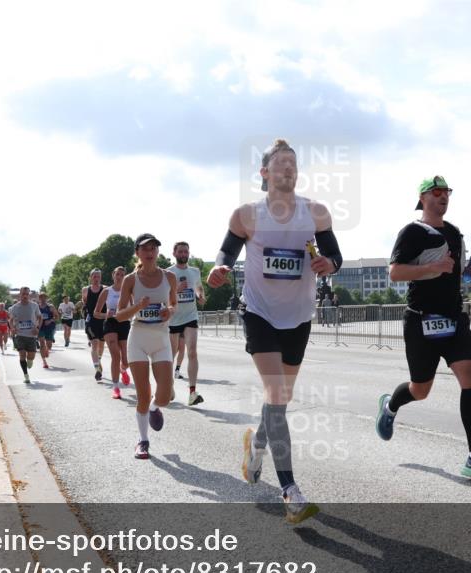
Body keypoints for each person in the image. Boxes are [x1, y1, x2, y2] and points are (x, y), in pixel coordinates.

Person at [208, 138, 343, 524]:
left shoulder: (315, 212)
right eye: (281, 163)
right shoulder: (246, 215)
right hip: (260, 313)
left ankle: (255, 448)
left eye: (294, 164)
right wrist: (219, 269)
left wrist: (328, 265)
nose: (289, 169)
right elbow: (225, 255)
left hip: (299, 315)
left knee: (279, 401)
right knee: (277, 393)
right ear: (264, 173)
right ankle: (290, 490)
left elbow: (335, 255)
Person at [374, 175, 471, 484]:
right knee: (421, 390)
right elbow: (395, 273)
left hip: (454, 318)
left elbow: (456, 277)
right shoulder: (412, 232)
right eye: (436, 192)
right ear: (422, 199)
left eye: (447, 192)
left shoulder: (455, 233)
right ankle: (390, 406)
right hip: (420, 320)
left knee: (470, 376)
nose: (443, 197)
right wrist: (432, 267)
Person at [116, 234, 177, 459]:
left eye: (153, 248)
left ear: (157, 252)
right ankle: (143, 441)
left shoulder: (169, 277)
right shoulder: (131, 280)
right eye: (145, 248)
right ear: (138, 253)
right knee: (143, 394)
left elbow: (173, 305)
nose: (150, 251)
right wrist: (138, 307)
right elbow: (120, 316)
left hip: (161, 338)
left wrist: (169, 311)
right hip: (138, 337)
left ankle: (154, 408)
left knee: (164, 396)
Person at [167, 241, 205, 406]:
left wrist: (201, 296)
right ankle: (169, 386)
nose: (183, 254)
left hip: (191, 316)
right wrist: (176, 290)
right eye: (181, 252)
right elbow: (162, 297)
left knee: (192, 353)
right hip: (173, 318)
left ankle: (192, 392)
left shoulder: (194, 271)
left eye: (186, 252)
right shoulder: (168, 273)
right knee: (171, 355)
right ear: (174, 253)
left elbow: (199, 288)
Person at [99, 266, 132, 399]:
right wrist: (107, 314)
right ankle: (116, 387)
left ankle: (123, 369)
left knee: (125, 360)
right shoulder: (107, 291)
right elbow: (96, 313)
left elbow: (134, 308)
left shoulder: (129, 291)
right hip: (110, 323)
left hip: (124, 323)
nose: (119, 277)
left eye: (122, 274)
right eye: (117, 274)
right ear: (113, 275)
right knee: (115, 356)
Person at [9, 287, 42, 384]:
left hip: (31, 335)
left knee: (31, 357)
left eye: (27, 294)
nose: (25, 296)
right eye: (23, 294)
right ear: (20, 295)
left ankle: (30, 360)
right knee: (22, 354)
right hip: (20, 335)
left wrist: (37, 328)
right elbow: (10, 320)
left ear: (29, 295)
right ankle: (26, 375)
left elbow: (40, 318)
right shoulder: (15, 307)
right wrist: (12, 328)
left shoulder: (34, 305)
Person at [82, 270, 107, 381]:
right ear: (90, 277)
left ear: (100, 278)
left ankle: (99, 360)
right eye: (94, 276)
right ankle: (97, 369)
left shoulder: (105, 289)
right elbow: (85, 303)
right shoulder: (85, 290)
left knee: (101, 345)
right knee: (94, 344)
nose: (96, 278)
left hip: (102, 319)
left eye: (98, 276)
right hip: (91, 320)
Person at [36, 292, 57, 368]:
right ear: (39, 298)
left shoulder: (50, 307)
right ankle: (44, 362)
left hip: (49, 327)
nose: (43, 298)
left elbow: (57, 317)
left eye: (44, 297)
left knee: (49, 345)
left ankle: (47, 349)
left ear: (46, 298)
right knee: (42, 344)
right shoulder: (36, 307)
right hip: (40, 328)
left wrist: (50, 320)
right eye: (41, 297)